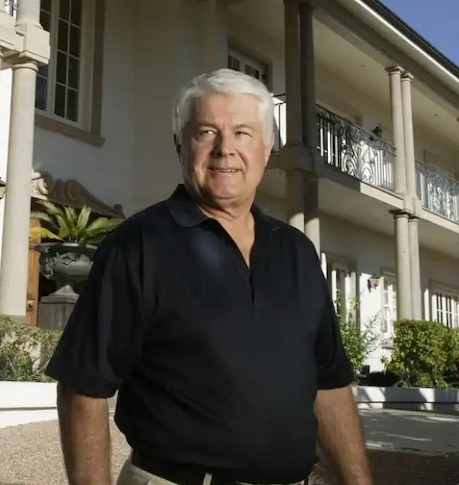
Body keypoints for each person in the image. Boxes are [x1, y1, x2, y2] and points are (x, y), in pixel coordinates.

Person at [45, 68, 373, 485]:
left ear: (268, 148)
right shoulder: (139, 245)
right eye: (206, 132)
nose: (225, 150)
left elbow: (329, 385)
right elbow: (83, 388)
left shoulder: (297, 253)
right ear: (181, 145)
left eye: (242, 133)